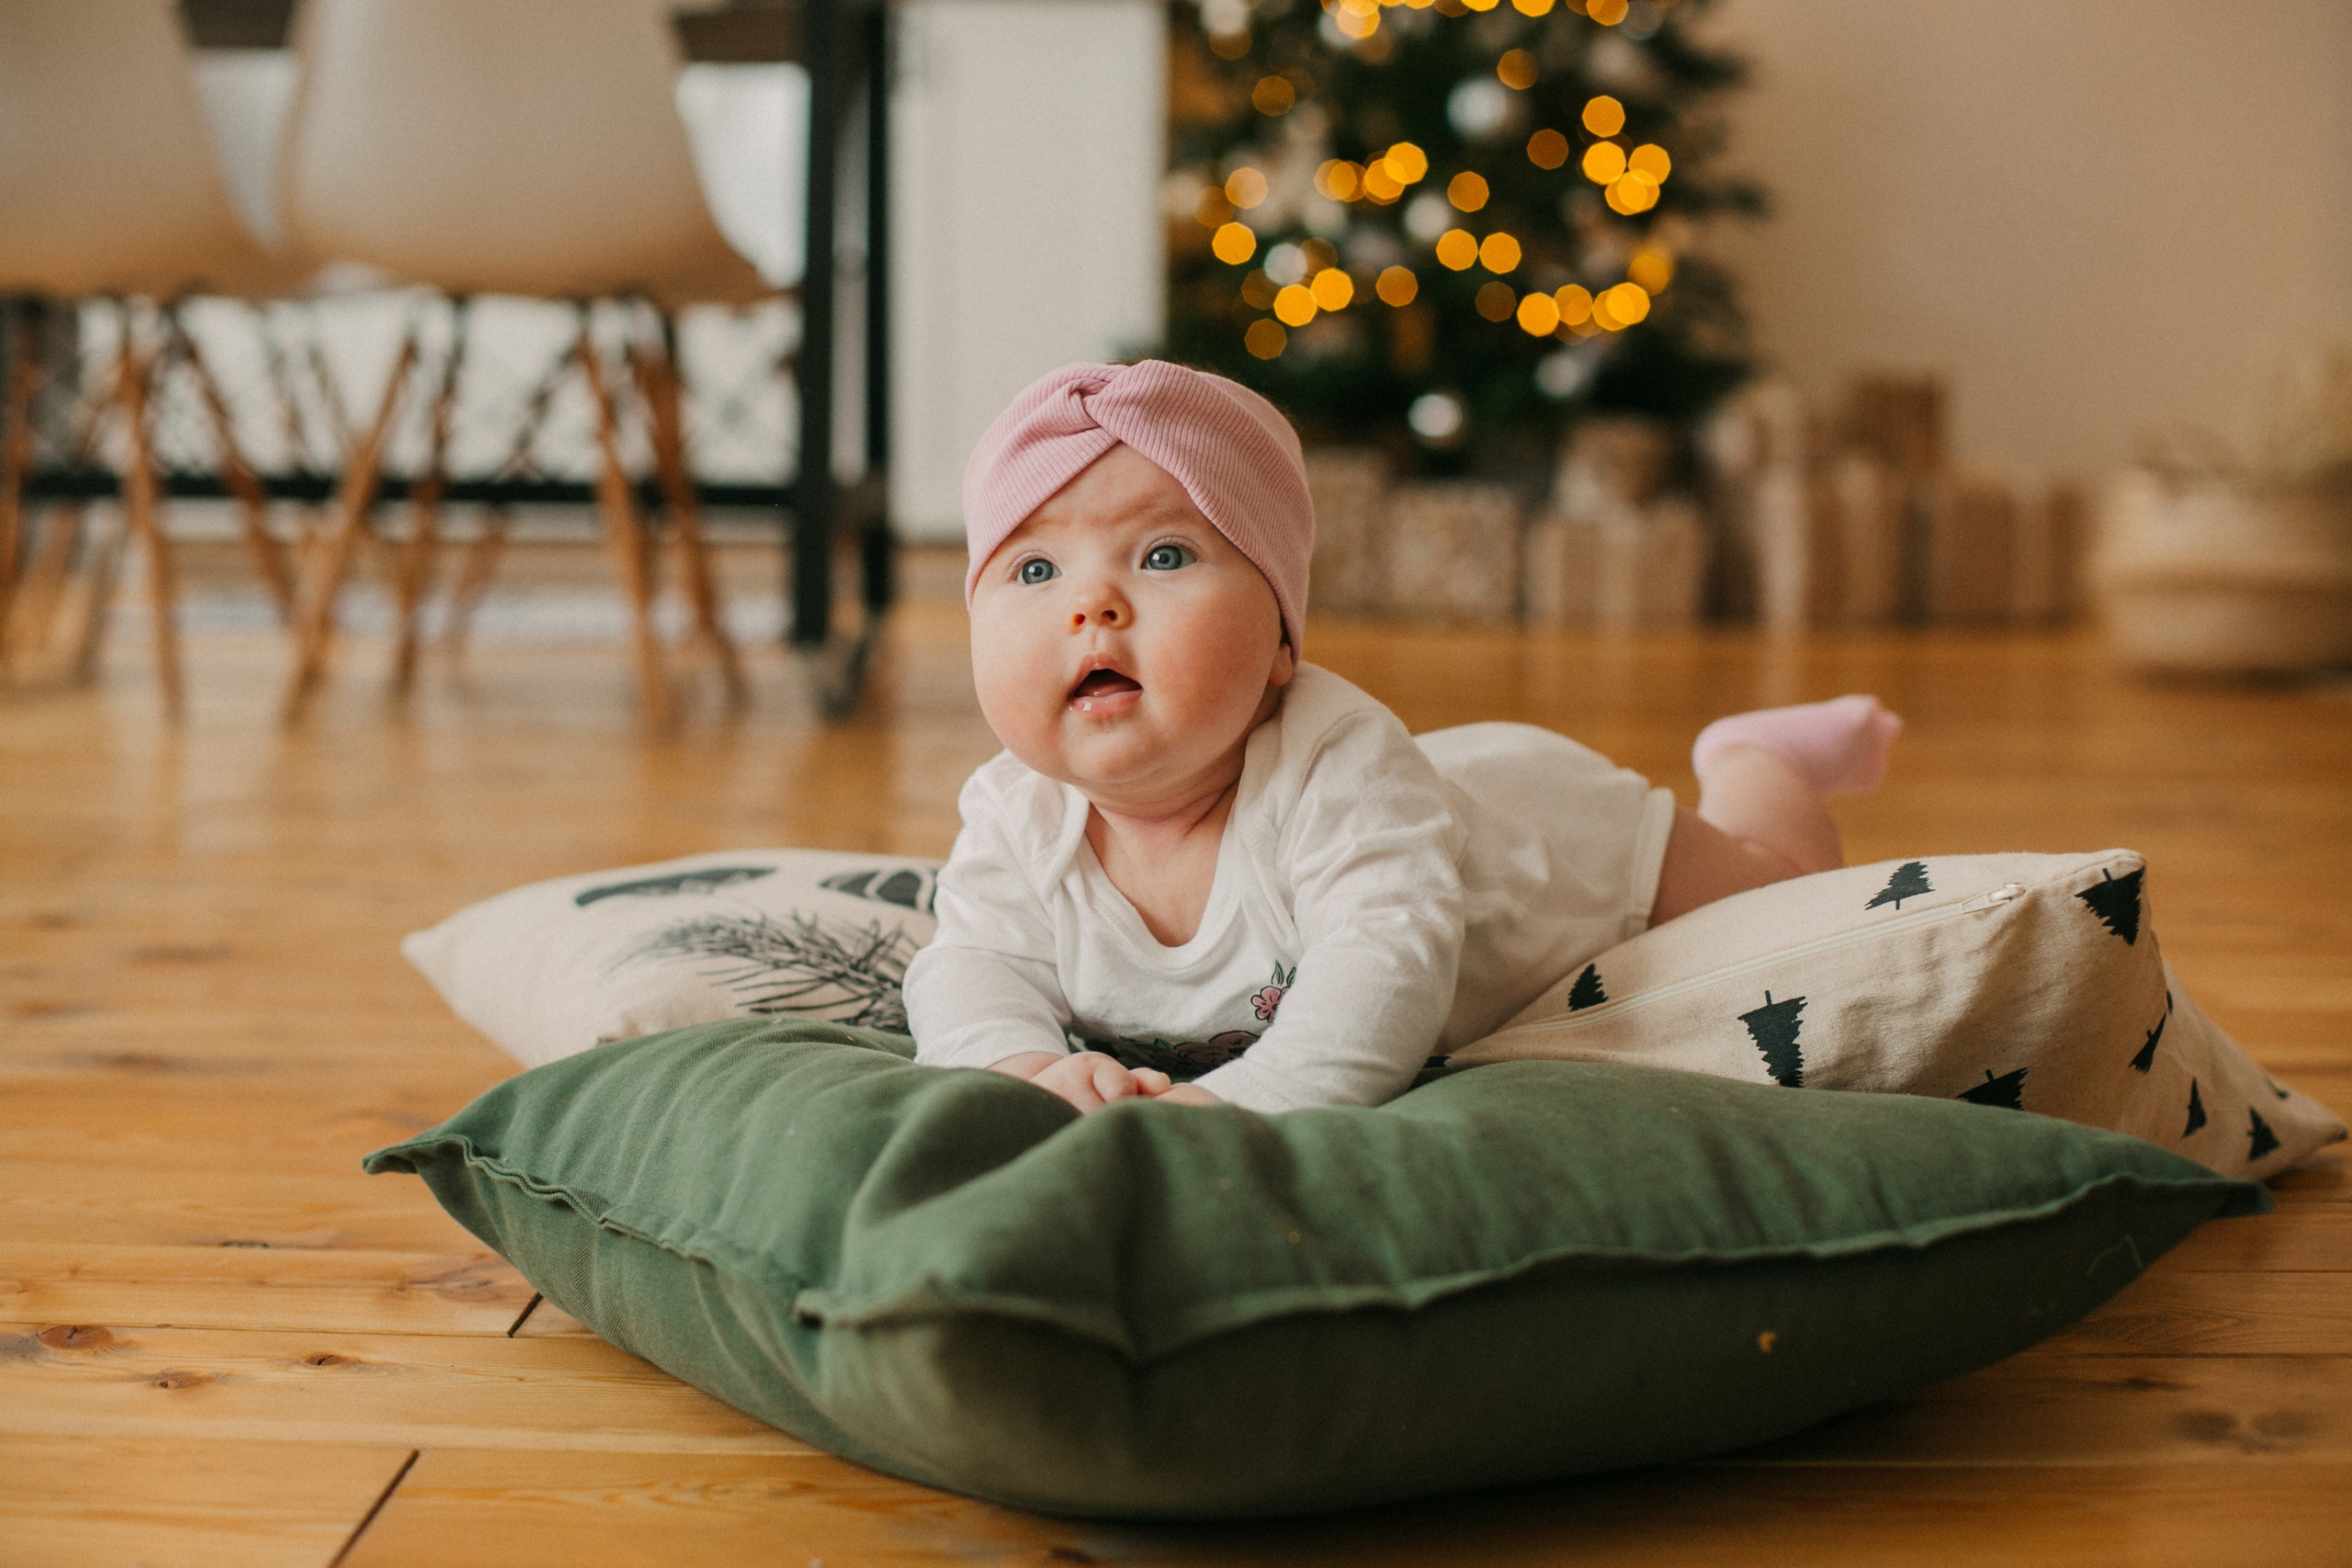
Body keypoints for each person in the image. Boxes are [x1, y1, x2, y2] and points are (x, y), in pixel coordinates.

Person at [904, 361, 1901, 1115]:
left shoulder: (1338, 773)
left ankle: (1754, 758)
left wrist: (1233, 1109)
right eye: (1033, 571)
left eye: (1164, 554)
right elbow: (969, 964)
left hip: (1551, 847)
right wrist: (1021, 1068)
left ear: (1280, 644)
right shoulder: (1014, 814)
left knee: (1786, 897)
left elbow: (1381, 978)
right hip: (1446, 790)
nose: (1093, 605)